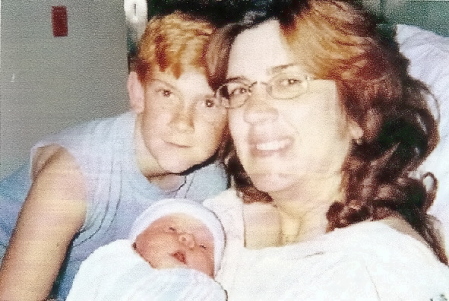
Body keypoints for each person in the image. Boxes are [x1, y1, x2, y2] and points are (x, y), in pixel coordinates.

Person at [203, 0, 449, 299]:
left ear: (357, 113)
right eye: (240, 89)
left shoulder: (379, 270)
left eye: (289, 82)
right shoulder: (215, 220)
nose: (254, 111)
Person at [0, 11, 228, 300]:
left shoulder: (212, 179)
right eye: (167, 93)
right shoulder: (74, 176)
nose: (183, 122)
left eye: (208, 103)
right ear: (138, 93)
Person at [66, 198, 226, 301]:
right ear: (137, 240)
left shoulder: (206, 291)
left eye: (203, 247)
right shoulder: (113, 263)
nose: (188, 239)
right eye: (172, 229)